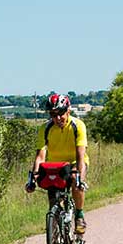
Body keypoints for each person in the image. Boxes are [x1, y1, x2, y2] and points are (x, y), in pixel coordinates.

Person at [27, 93, 89, 235]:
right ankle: (54, 239)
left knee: (75, 180)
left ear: (68, 111)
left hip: (74, 162)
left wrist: (80, 179)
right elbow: (40, 156)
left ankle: (79, 216)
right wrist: (33, 178)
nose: (57, 118)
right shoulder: (46, 128)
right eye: (53, 115)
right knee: (53, 201)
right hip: (55, 166)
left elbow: (80, 156)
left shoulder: (78, 126)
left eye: (61, 113)